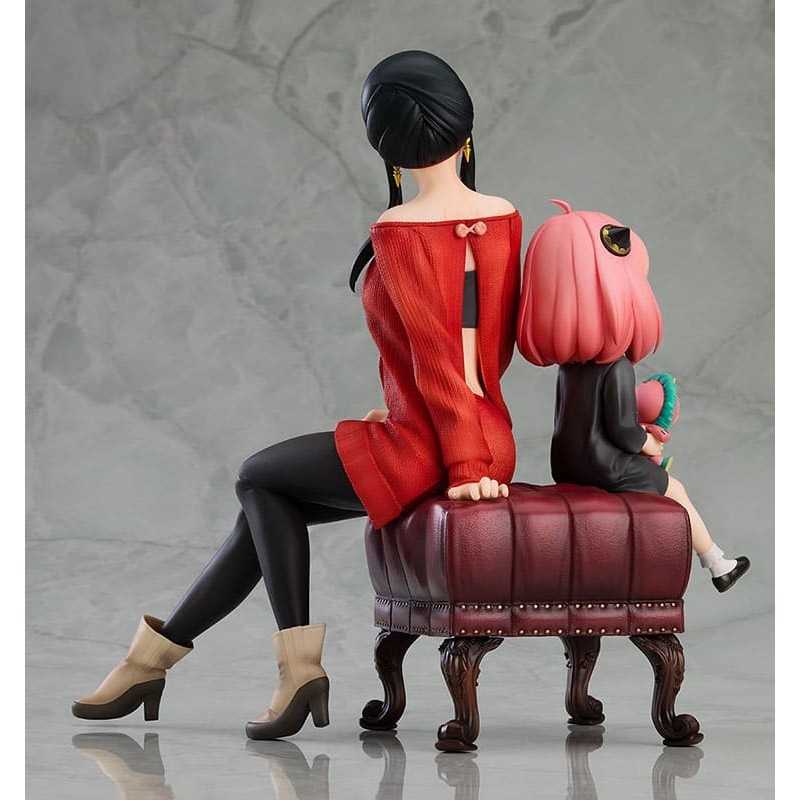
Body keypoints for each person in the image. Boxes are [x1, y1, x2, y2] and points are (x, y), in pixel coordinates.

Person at [72, 50, 522, 740]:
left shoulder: (400, 231)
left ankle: (288, 669)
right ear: (466, 131)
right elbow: (485, 349)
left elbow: (439, 358)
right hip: (480, 436)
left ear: (385, 148)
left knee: (257, 477)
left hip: (440, 451)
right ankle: (154, 664)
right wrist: (454, 436)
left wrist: (463, 465)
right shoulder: (505, 217)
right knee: (268, 502)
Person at [516, 199, 750, 593]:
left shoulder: (569, 369)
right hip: (604, 467)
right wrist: (649, 443)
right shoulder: (617, 367)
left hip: (567, 464)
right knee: (674, 489)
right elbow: (623, 432)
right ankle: (717, 563)